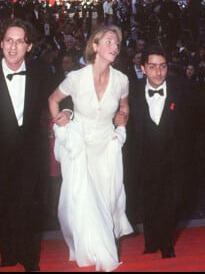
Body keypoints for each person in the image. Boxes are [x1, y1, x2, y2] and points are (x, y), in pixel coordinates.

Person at [48, 24, 133, 272]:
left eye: (117, 43)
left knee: (107, 200)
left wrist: (122, 117)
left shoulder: (121, 80)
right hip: (80, 148)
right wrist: (61, 123)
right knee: (82, 203)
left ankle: (104, 246)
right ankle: (97, 251)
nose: (114, 47)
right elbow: (52, 100)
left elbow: (124, 108)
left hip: (107, 148)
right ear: (94, 46)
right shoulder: (75, 78)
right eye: (108, 41)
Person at [0, 17, 52, 272]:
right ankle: (8, 255)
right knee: (2, 208)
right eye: (9, 40)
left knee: (29, 209)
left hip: (31, 155)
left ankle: (30, 260)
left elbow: (62, 99)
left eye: (20, 41)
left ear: (29, 46)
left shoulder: (42, 72)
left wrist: (67, 114)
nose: (13, 47)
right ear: (0, 43)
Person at [124, 44, 195, 259]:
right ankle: (151, 241)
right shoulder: (131, 90)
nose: (158, 72)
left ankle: (166, 242)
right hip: (144, 158)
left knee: (173, 202)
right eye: (152, 66)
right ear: (143, 68)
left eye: (163, 66)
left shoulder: (182, 87)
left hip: (175, 158)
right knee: (149, 201)